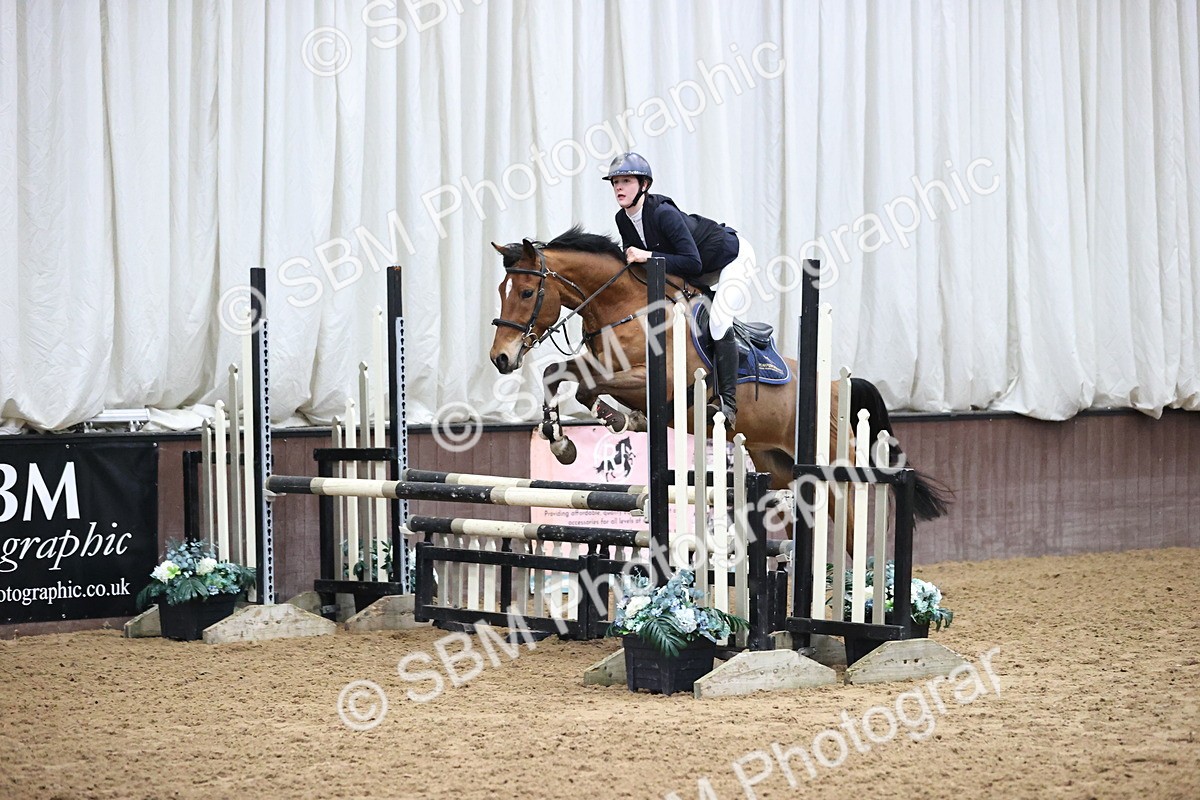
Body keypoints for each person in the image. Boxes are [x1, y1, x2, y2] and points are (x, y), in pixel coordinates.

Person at [603, 151, 748, 428]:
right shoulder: (622, 219)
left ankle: (727, 404)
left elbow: (692, 262)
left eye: (626, 181)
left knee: (718, 321)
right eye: (614, 182)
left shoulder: (663, 214)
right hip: (693, 266)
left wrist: (647, 256)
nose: (618, 187)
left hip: (730, 257)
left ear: (644, 185)